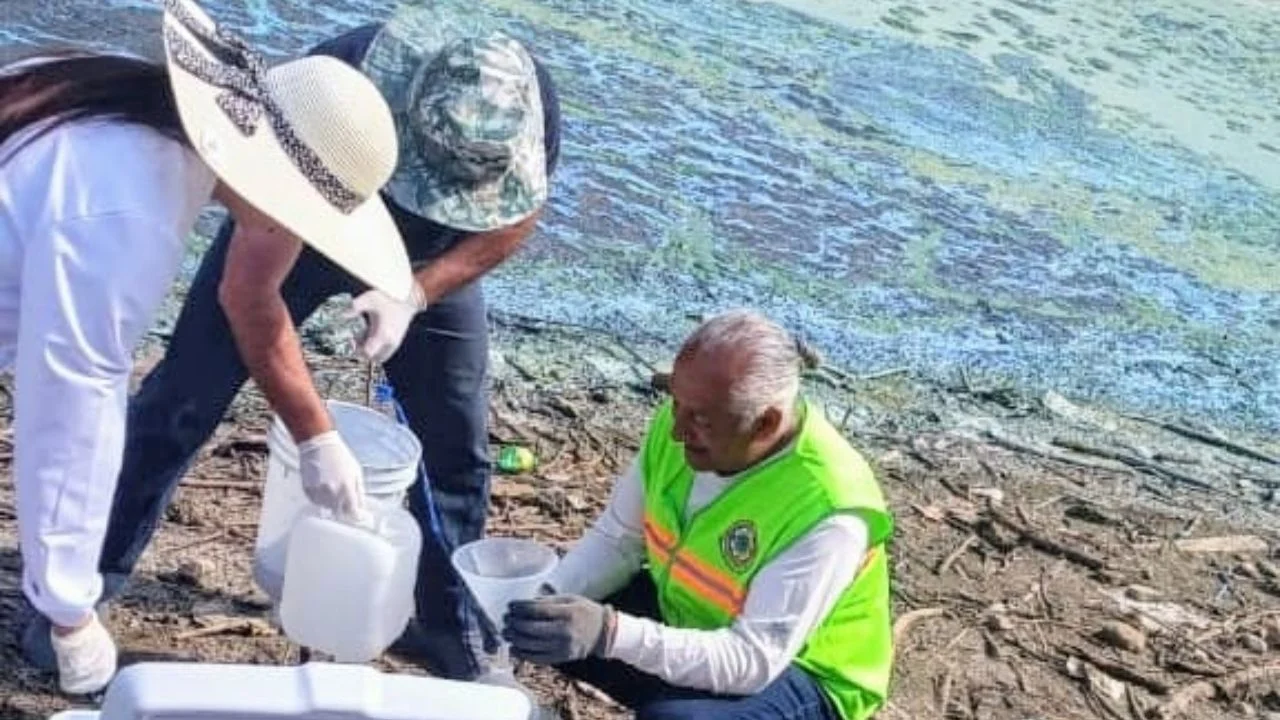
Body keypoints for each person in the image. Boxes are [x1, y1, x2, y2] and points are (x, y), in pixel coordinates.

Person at [25, 3, 562, 682]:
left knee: (456, 444)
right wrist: (316, 436)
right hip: (306, 211)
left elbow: (518, 213)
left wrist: (417, 292)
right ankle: (82, 584)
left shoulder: (522, 106)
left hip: (431, 261)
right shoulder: (326, 103)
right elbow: (246, 299)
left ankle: (451, 626)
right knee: (182, 400)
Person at [3, 0, 414, 694]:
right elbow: (72, 406)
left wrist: (318, 437)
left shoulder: (111, 102)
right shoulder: (128, 207)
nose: (302, 238)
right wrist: (71, 610)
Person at [502, 310, 896, 720]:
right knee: (545, 617)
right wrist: (541, 599)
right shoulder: (683, 422)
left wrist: (609, 633)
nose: (675, 431)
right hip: (693, 613)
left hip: (803, 672)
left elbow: (752, 660)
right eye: (676, 403)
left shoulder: (828, 507)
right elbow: (617, 540)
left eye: (701, 420)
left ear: (766, 424)